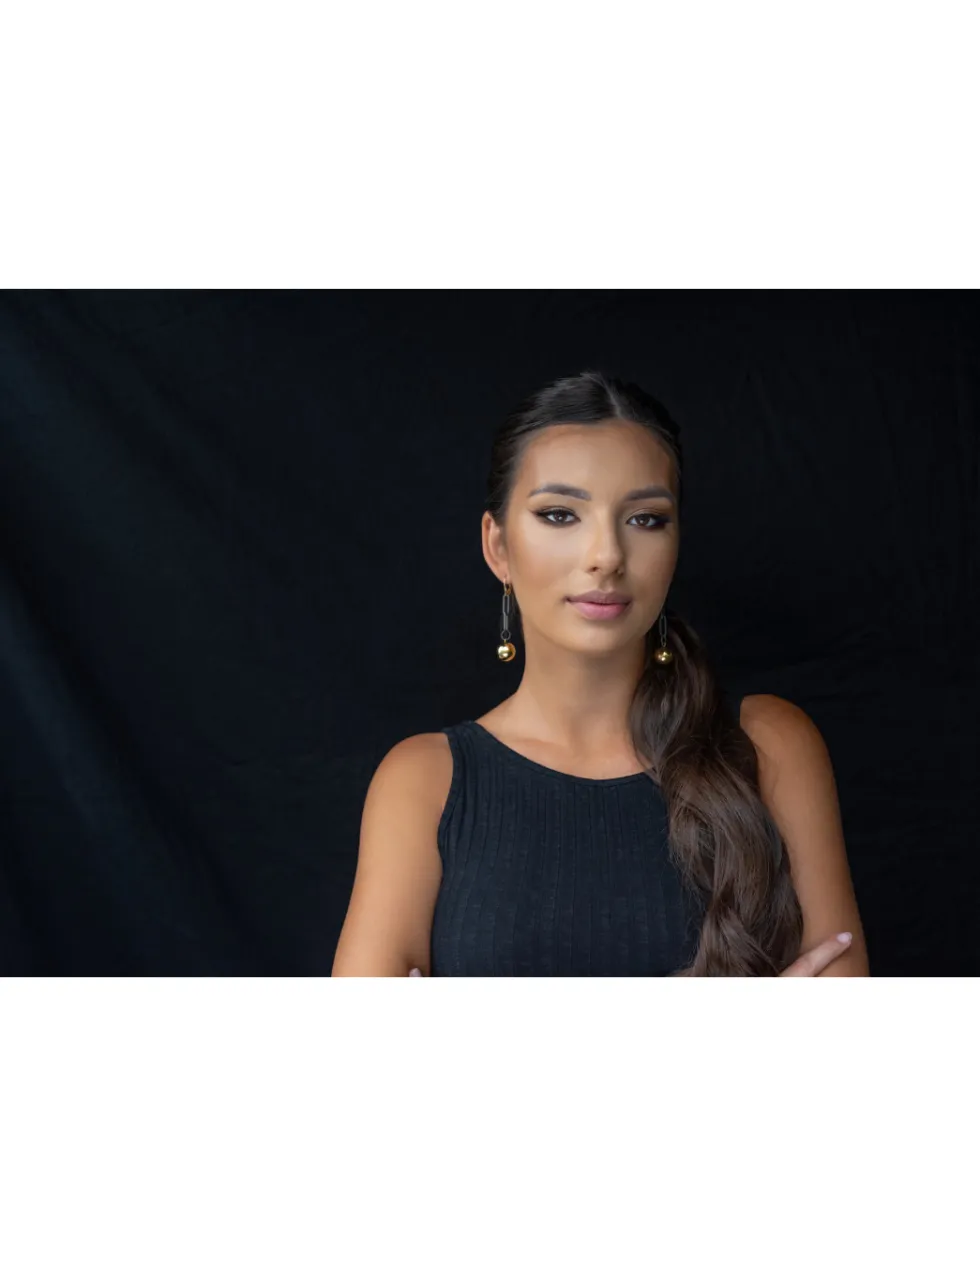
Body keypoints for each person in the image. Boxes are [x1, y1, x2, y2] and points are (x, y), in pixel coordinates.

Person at [332, 370, 869, 977]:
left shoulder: (768, 744)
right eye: (560, 514)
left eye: (645, 519)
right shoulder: (424, 782)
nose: (607, 556)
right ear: (498, 547)